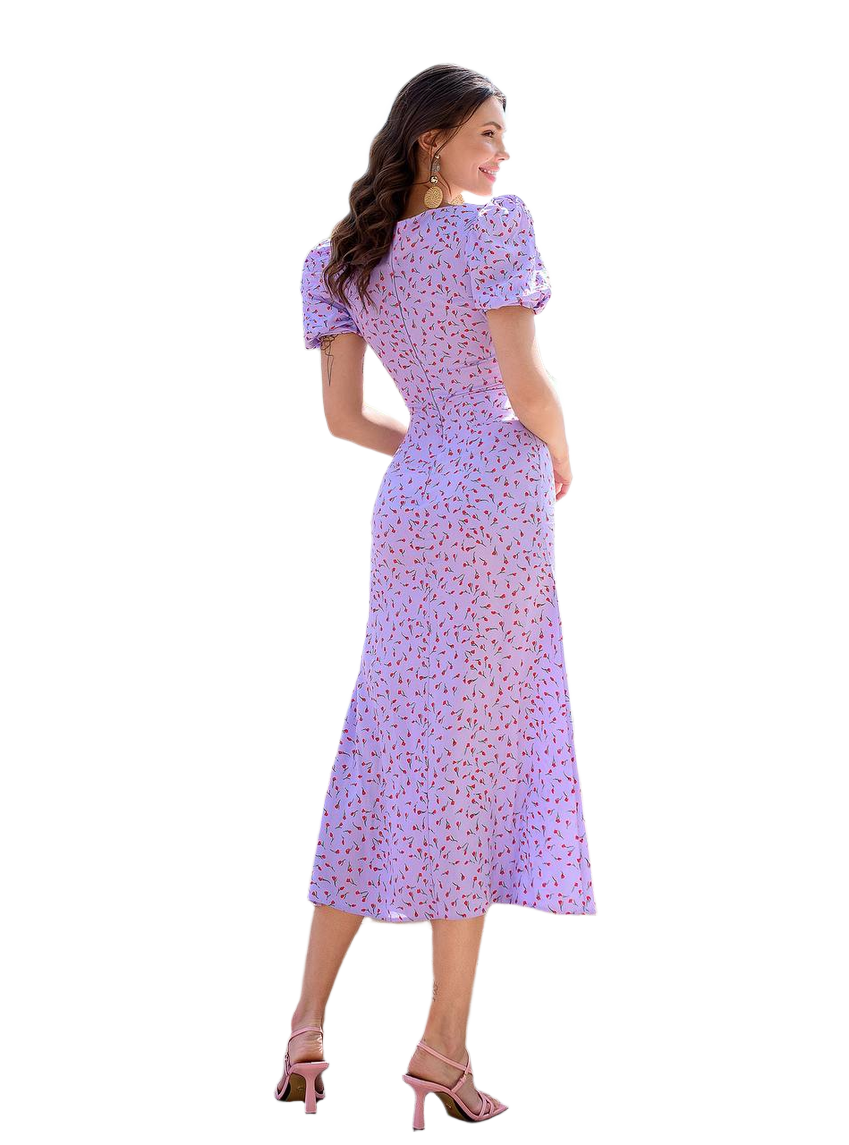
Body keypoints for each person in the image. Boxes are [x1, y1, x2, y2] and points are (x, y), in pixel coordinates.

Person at [276, 61, 597, 1131]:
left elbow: (344, 421)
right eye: (488, 133)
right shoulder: (491, 231)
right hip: (495, 496)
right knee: (476, 756)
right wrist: (555, 452)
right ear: (431, 139)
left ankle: (306, 1027)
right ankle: (441, 1050)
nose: (501, 155)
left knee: (381, 746)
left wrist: (435, 451)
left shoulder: (343, 258)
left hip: (408, 498)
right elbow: (524, 381)